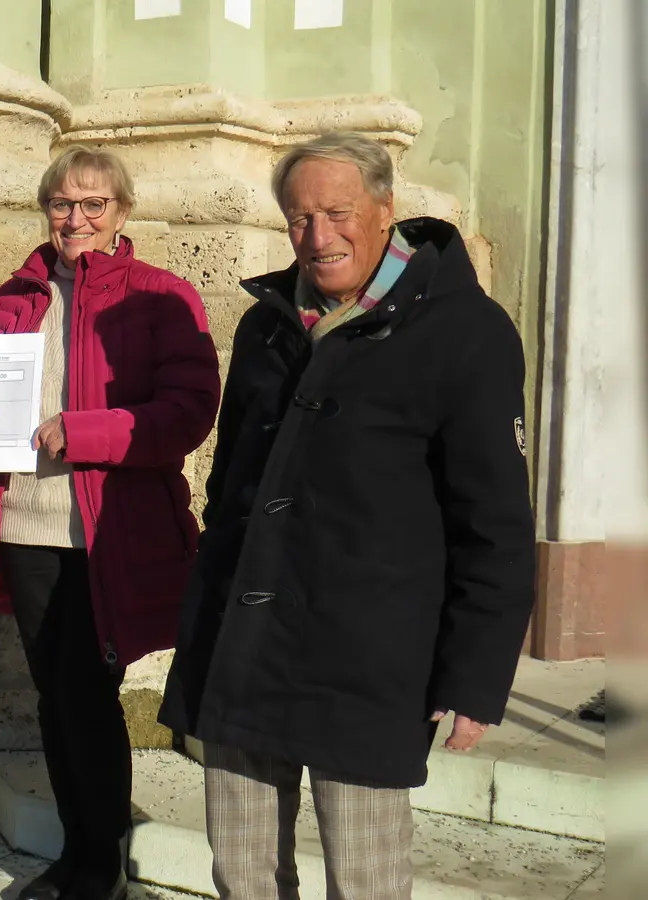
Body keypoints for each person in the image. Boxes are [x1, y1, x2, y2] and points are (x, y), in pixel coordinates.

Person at [159, 132, 537, 900]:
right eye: (299, 218)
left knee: (364, 882)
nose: (317, 236)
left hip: (369, 662)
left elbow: (494, 524)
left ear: (386, 210)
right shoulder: (264, 325)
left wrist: (474, 675)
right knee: (242, 873)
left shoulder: (466, 331)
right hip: (247, 650)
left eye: (338, 212)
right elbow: (230, 483)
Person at [0, 146, 222, 900]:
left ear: (121, 213)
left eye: (93, 204)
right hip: (28, 526)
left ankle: (96, 866)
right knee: (54, 693)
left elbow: (189, 413)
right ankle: (77, 854)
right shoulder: (18, 295)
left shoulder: (161, 296)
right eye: (62, 204)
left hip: (107, 535)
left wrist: (87, 432)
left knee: (88, 694)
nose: (76, 219)